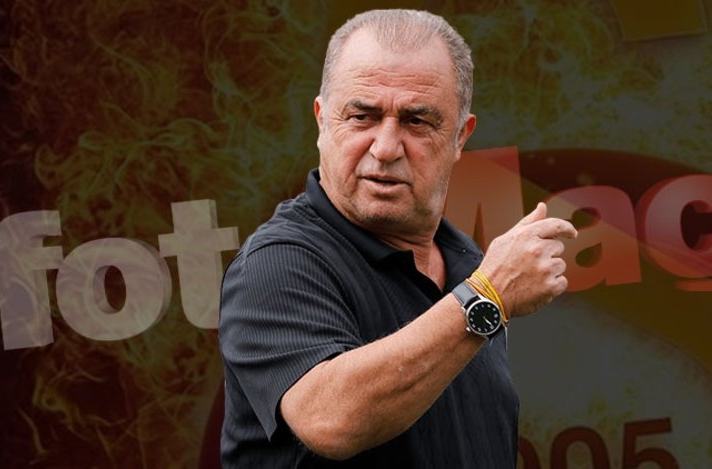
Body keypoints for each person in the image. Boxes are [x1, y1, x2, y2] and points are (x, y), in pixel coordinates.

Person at [218, 9, 577, 468]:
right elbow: (330, 420)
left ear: (460, 137)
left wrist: (482, 290)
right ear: (322, 120)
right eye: (362, 116)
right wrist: (487, 297)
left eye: (417, 121)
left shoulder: (467, 262)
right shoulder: (275, 263)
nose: (386, 148)